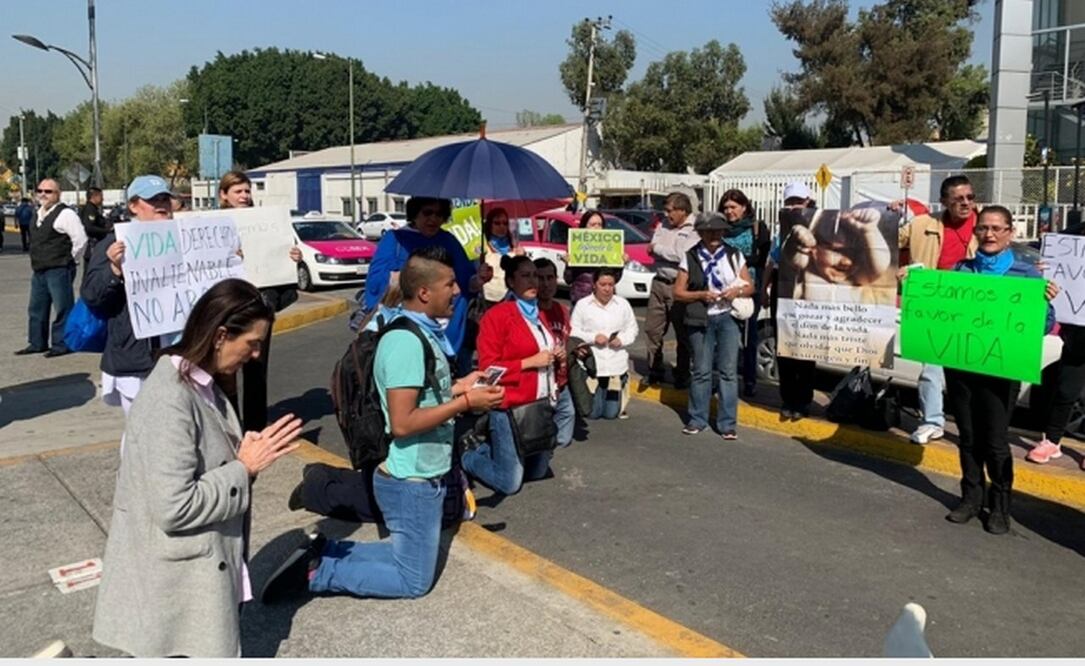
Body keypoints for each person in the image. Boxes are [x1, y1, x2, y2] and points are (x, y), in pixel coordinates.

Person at [261, 246, 504, 603]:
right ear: (424, 292)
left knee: (406, 558)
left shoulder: (421, 333)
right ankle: (319, 573)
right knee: (412, 581)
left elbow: (421, 394)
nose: (457, 291)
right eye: (449, 284)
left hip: (423, 473)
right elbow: (403, 422)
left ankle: (324, 551)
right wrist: (466, 403)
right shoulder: (406, 341)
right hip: (411, 479)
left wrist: (460, 387)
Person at [92, 279, 303, 657]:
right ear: (221, 335)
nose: (256, 354)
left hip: (198, 573)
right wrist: (244, 468)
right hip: (177, 586)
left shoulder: (203, 384)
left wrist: (245, 454)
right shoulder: (170, 397)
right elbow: (174, 506)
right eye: (252, 343)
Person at [936, 205, 1058, 535]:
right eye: (983, 228)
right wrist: (913, 282)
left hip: (1001, 370)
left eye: (996, 228)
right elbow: (939, 312)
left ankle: (1001, 507)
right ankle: (971, 499)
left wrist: (1045, 302)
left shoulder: (1026, 276)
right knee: (968, 437)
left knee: (995, 440)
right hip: (962, 368)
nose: (988, 234)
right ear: (975, 232)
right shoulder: (961, 271)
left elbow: (1044, 326)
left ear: (1009, 233)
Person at [462, 255, 561, 494]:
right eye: (525, 276)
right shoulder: (497, 316)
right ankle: (468, 456)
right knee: (510, 482)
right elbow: (489, 370)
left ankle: (495, 449)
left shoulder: (541, 315)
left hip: (539, 405)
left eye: (535, 276)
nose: (533, 282)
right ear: (510, 282)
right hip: (510, 406)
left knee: (537, 472)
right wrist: (529, 362)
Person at [81, 175, 178, 414]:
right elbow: (92, 294)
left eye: (165, 198)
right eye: (153, 199)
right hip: (135, 357)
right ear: (134, 206)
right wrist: (115, 270)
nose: (161, 204)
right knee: (141, 433)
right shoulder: (114, 243)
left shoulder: (183, 237)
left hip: (177, 356)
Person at [218, 170, 302, 432]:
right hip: (225, 310)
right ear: (223, 195)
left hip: (258, 309)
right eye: (237, 191)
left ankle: (254, 429)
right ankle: (229, 427)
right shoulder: (211, 224)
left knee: (255, 371)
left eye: (246, 190)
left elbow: (279, 269)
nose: (244, 196)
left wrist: (292, 258)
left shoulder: (268, 222)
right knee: (224, 372)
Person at [898, 175, 978, 445]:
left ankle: (972, 426)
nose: (966, 203)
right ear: (944, 202)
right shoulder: (921, 225)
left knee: (970, 371)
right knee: (931, 369)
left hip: (974, 309)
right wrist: (890, 217)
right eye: (958, 199)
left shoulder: (986, 225)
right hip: (934, 306)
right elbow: (886, 243)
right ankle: (932, 422)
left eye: (970, 197)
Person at [357, 197, 488, 358]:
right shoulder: (395, 239)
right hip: (405, 328)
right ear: (415, 213)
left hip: (446, 333)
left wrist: (479, 278)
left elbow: (466, 282)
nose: (433, 219)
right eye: (427, 213)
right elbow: (375, 282)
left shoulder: (449, 241)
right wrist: (410, 277)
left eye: (439, 214)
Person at [674, 213, 755, 439]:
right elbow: (678, 292)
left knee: (728, 372)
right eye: (710, 231)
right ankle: (697, 419)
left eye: (719, 231)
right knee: (701, 370)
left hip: (727, 317)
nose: (715, 235)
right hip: (701, 318)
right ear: (701, 233)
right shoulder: (690, 256)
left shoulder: (733, 255)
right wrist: (700, 294)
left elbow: (750, 287)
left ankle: (727, 423)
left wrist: (736, 291)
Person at [1028, 215, 1085, 468]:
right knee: (1066, 390)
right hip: (1078, 334)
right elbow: (1040, 256)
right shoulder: (1069, 237)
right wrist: (1041, 269)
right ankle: (1052, 441)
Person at [762, 184, 818, 420]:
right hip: (783, 294)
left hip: (810, 296)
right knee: (784, 348)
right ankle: (788, 399)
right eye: (789, 202)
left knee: (806, 349)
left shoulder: (822, 223)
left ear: (808, 202)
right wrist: (765, 288)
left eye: (798, 201)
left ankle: (803, 401)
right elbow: (772, 262)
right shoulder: (782, 231)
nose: (793, 206)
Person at [15, 179, 86, 358]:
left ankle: (62, 344)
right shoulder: (37, 213)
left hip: (59, 269)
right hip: (39, 269)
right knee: (36, 308)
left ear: (58, 194)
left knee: (63, 308)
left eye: (49, 191)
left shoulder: (66, 214)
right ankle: (37, 343)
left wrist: (71, 260)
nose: (43, 194)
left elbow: (80, 240)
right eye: (40, 191)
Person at [645, 192, 700, 388]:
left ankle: (682, 373)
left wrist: (658, 249)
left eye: (670, 211)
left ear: (682, 211)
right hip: (659, 282)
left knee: (682, 333)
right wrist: (659, 249)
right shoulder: (662, 225)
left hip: (679, 285)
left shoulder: (694, 229)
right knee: (653, 329)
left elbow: (681, 255)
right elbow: (650, 248)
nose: (666, 215)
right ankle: (654, 368)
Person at [718, 189, 770, 397]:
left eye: (733, 207)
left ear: (744, 207)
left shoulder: (757, 229)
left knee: (749, 337)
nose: (729, 211)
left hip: (749, 289)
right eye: (726, 207)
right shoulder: (719, 229)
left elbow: (762, 258)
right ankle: (722, 377)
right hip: (723, 289)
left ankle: (749, 381)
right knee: (721, 335)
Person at [570, 267, 639, 420]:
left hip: (615, 366)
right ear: (594, 285)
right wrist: (593, 337)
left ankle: (617, 393)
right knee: (592, 414)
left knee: (610, 414)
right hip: (593, 365)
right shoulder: (582, 305)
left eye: (610, 285)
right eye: (603, 285)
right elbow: (573, 331)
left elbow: (632, 329)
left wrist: (621, 340)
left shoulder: (623, 304)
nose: (607, 289)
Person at [535, 257, 575, 447]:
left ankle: (549, 447)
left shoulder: (562, 310)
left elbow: (567, 337)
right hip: (540, 378)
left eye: (550, 278)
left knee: (567, 418)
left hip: (560, 378)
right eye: (540, 278)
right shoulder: (530, 312)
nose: (546, 284)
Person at [563, 209, 622, 307]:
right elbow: (568, 279)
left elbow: (615, 279)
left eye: (600, 224)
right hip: (581, 299)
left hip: (604, 301)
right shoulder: (576, 246)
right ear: (584, 227)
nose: (597, 228)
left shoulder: (610, 247)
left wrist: (621, 264)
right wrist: (568, 265)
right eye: (593, 224)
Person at [480, 206, 524, 305]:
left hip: (510, 299)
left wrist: (521, 258)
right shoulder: (483, 247)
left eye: (505, 223)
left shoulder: (515, 247)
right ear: (489, 225)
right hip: (488, 300)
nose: (501, 227)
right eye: (497, 223)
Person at [80, 186, 109, 271]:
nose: (102, 199)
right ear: (94, 197)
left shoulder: (94, 209)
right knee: (91, 272)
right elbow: (89, 228)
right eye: (101, 196)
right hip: (92, 245)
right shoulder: (90, 209)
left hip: (94, 245)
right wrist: (106, 231)